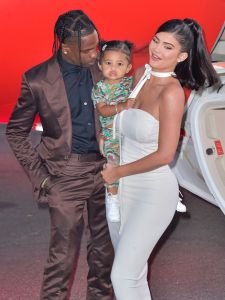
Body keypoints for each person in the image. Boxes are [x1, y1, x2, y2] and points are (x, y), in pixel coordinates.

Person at [102, 18, 219, 299]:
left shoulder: (171, 93)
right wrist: (107, 140)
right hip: (119, 190)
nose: (156, 49)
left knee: (123, 275)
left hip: (151, 192)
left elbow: (165, 154)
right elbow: (120, 122)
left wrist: (118, 172)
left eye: (167, 47)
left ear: (181, 56)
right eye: (156, 40)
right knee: (132, 271)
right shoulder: (140, 74)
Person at [6, 10, 114, 300]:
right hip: (66, 173)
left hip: (106, 171)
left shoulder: (104, 68)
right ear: (66, 48)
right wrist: (42, 179)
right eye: (88, 49)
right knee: (62, 259)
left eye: (97, 45)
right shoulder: (38, 80)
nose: (95, 53)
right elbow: (15, 132)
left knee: (105, 253)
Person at [92, 40, 133, 223]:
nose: (113, 68)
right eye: (108, 63)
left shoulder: (130, 83)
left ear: (128, 67)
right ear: (100, 65)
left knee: (143, 161)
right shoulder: (99, 88)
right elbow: (102, 110)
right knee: (112, 165)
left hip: (131, 131)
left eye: (120, 64)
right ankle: (112, 198)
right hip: (112, 134)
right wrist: (122, 106)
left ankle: (167, 192)